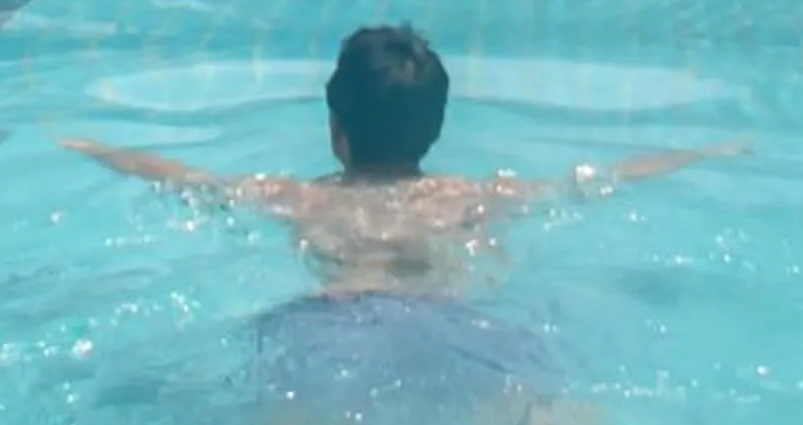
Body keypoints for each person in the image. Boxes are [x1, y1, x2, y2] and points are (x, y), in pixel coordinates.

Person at [66, 20, 742, 304]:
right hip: (450, 329)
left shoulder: (298, 199)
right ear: (437, 128)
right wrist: (707, 152)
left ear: (337, 130)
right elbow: (602, 181)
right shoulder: (478, 199)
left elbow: (180, 178)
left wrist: (88, 147)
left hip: (333, 328)